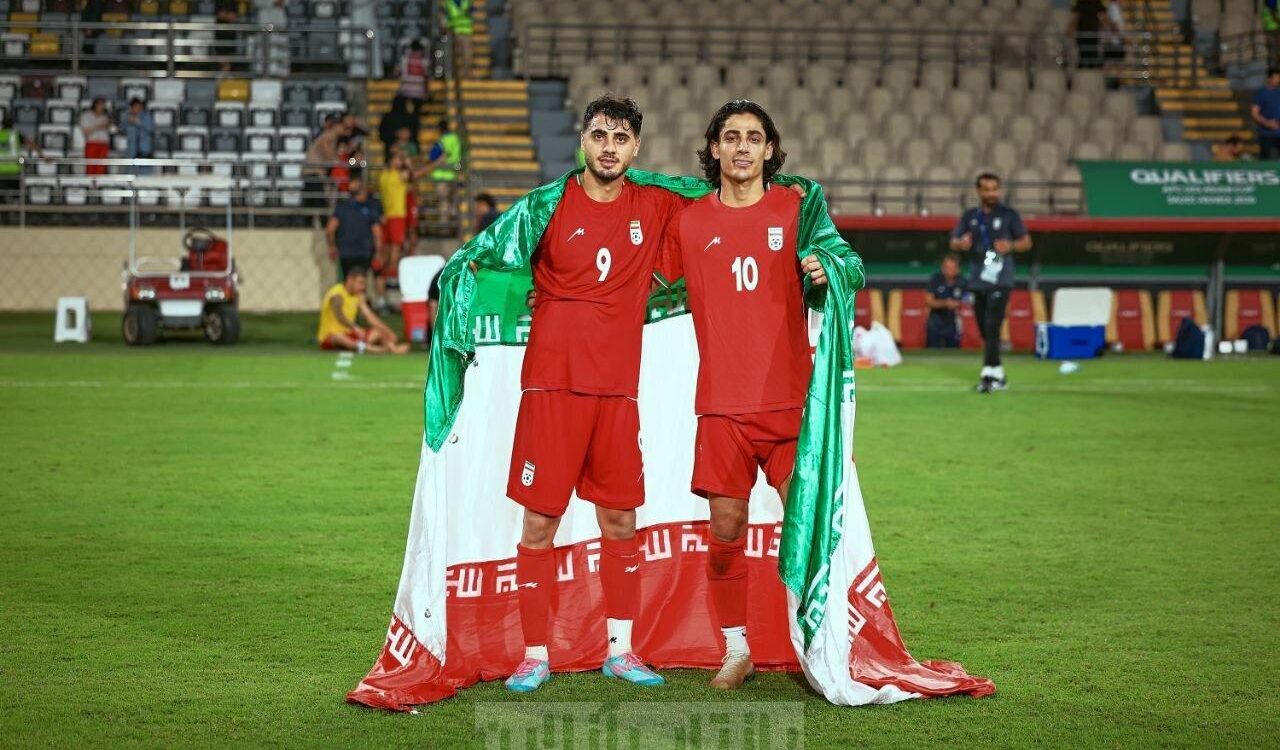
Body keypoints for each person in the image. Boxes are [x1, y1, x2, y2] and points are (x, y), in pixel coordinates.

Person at [499, 95, 690, 694]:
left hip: (616, 391)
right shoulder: (545, 206)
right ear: (582, 140)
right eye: (600, 135)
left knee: (621, 519)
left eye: (621, 138)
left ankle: (620, 649)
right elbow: (494, 263)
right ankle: (534, 654)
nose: (609, 147)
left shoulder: (654, 205)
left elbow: (726, 206)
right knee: (539, 522)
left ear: (636, 149)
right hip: (552, 386)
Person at [653, 99, 832, 691]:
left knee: (806, 529)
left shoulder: (797, 209)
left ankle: (817, 647)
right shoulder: (689, 222)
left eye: (754, 138)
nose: (742, 147)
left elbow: (843, 263)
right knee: (725, 531)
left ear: (770, 150)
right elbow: (636, 281)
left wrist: (828, 273)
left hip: (790, 404)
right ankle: (737, 649)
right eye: (731, 137)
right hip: (722, 408)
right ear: (714, 149)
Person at [949, 173, 1032, 393]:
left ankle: (988, 372)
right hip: (978, 279)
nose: (991, 193)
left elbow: (1026, 242)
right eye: (987, 189)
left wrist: (1010, 246)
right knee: (983, 326)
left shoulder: (1009, 215)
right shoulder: (970, 216)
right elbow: (954, 241)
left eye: (995, 188)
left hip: (1001, 278)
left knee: (992, 323)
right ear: (979, 191)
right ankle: (998, 372)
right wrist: (961, 243)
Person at [315, 268, 409, 353]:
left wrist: (387, 332)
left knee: (378, 333)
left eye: (364, 284)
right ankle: (381, 350)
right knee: (340, 338)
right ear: (350, 280)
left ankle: (391, 348)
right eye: (360, 283)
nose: (363, 287)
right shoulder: (337, 294)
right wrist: (355, 327)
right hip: (331, 336)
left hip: (350, 333)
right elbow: (339, 316)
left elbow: (370, 317)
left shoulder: (358, 295)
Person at [326, 175, 383, 280]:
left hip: (345, 253)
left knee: (347, 282)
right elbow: (377, 232)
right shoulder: (370, 207)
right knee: (360, 282)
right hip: (364, 253)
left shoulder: (342, 207)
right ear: (362, 191)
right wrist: (378, 253)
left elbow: (330, 229)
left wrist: (332, 246)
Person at [925, 254, 967, 348]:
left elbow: (968, 301)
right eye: (946, 267)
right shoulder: (935, 279)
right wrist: (945, 303)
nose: (948, 270)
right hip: (936, 322)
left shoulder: (963, 282)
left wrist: (959, 304)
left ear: (958, 269)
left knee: (954, 351)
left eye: (952, 268)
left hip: (955, 323)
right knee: (933, 350)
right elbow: (929, 301)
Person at [0, 114, 44, 203]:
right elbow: (31, 144)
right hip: (14, 170)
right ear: (12, 125)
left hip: (1, 171)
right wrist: (42, 155)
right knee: (19, 193)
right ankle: (17, 205)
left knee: (1, 194)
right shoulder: (15, 135)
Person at [427, 119, 462, 225]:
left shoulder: (442, 141)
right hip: (453, 174)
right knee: (453, 201)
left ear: (440, 129)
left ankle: (444, 224)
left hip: (442, 175)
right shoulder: (456, 140)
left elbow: (433, 156)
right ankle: (455, 223)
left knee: (443, 201)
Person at [396, 39, 430, 118]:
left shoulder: (405, 59)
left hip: (405, 89)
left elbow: (397, 73)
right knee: (417, 107)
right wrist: (426, 91)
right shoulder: (424, 61)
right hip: (419, 90)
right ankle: (416, 116)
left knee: (403, 107)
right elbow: (426, 76)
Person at [1068, 0, 1107, 69]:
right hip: (1083, 33)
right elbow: (1076, 17)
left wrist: (1103, 26)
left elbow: (1102, 15)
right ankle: (1085, 68)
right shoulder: (1081, 2)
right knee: (1083, 53)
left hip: (1092, 33)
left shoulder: (1096, 2)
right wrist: (1071, 28)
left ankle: (1089, 67)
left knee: (1090, 53)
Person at [1252, 67, 1280, 160]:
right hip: (1267, 134)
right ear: (1269, 78)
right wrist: (1267, 123)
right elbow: (1254, 113)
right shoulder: (1261, 93)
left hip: (1278, 133)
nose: (1278, 80)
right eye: (1276, 78)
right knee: (1267, 160)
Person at [80, 98, 112, 176]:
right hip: (92, 143)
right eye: (100, 104)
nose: (101, 107)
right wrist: (99, 126)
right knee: (91, 167)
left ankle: (100, 183)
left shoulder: (106, 116)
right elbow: (86, 131)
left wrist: (109, 125)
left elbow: (112, 130)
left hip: (104, 144)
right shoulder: (86, 116)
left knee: (101, 168)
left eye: (103, 105)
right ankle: (90, 183)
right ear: (95, 105)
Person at [123, 98, 155, 175]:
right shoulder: (127, 117)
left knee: (145, 174)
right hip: (131, 150)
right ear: (131, 108)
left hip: (145, 149)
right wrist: (128, 122)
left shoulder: (147, 117)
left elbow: (151, 129)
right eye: (135, 106)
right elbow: (123, 130)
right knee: (130, 173)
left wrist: (138, 122)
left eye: (139, 106)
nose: (137, 108)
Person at [443, 0, 473, 79]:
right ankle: (457, 73)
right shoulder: (450, 2)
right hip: (455, 31)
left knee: (465, 53)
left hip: (462, 30)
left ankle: (464, 73)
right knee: (457, 53)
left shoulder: (450, 2)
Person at [1263, 0, 1279, 68]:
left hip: (1270, 28)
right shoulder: (1272, 2)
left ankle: (1273, 66)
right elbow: (1274, 14)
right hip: (1275, 28)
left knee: (1272, 49)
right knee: (1274, 48)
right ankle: (1274, 66)